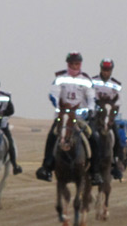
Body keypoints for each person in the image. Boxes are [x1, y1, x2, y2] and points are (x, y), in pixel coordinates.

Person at [35, 52, 104, 186]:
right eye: (71, 63)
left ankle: (95, 172)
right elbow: (53, 94)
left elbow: (91, 98)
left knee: (94, 138)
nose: (74, 66)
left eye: (76, 63)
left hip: (79, 118)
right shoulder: (60, 77)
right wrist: (58, 106)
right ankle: (47, 168)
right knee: (52, 136)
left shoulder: (86, 79)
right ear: (68, 64)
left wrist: (90, 110)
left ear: (80, 64)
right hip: (63, 116)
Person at [91, 58, 124, 180]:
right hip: (96, 115)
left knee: (116, 136)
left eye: (108, 70)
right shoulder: (93, 81)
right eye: (104, 70)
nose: (106, 72)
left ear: (111, 70)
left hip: (108, 116)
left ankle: (116, 162)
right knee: (90, 134)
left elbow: (119, 101)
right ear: (100, 69)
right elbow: (89, 95)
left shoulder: (116, 84)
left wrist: (112, 115)